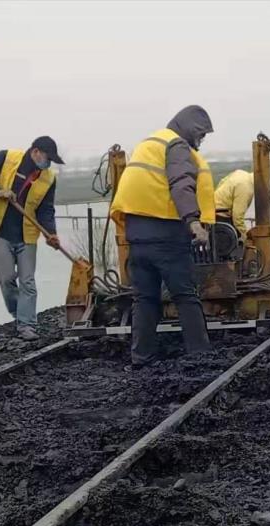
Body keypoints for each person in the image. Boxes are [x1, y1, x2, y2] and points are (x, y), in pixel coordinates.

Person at [110, 105, 215, 368]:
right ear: (191, 129)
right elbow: (181, 183)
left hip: (136, 235)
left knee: (144, 299)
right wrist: (194, 222)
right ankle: (200, 357)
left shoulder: (150, 143)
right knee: (185, 296)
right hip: (166, 235)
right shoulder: (177, 145)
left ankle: (141, 359)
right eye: (201, 135)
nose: (201, 141)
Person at [0, 137, 63, 341]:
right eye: (47, 158)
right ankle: (18, 312)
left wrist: (51, 232)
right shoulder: (6, 158)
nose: (48, 164)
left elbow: (46, 210)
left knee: (28, 281)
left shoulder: (49, 179)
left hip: (27, 235)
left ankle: (27, 325)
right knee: (5, 278)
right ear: (36, 152)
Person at [214, 169, 254, 239]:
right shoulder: (246, 188)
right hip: (221, 216)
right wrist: (245, 237)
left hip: (213, 210)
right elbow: (237, 217)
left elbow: (222, 182)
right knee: (229, 243)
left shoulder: (241, 173)